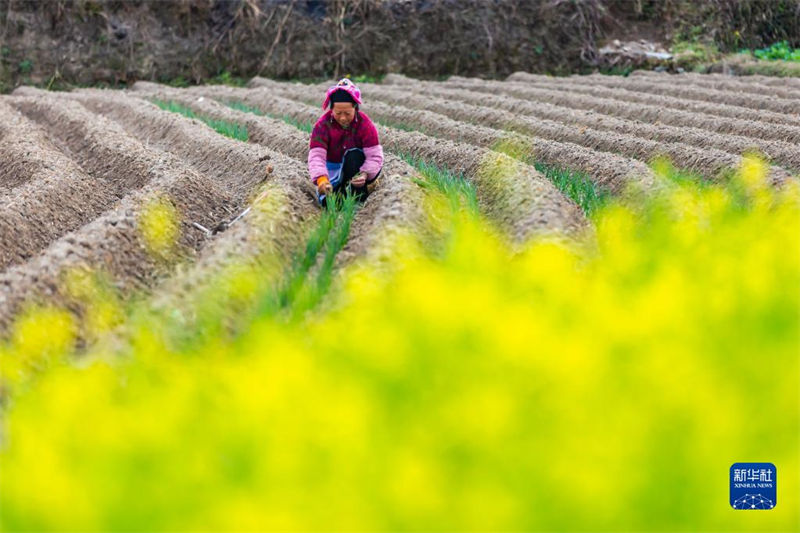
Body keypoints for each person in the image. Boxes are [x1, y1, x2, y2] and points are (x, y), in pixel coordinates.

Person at [307, 78, 384, 207]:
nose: (343, 118)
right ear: (331, 109)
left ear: (355, 108)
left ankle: (359, 195)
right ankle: (339, 192)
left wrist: (365, 174)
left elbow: (374, 155)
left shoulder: (364, 124)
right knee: (330, 203)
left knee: (353, 155)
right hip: (332, 171)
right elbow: (317, 156)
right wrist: (322, 179)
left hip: (357, 169)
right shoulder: (322, 125)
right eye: (338, 113)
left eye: (348, 113)